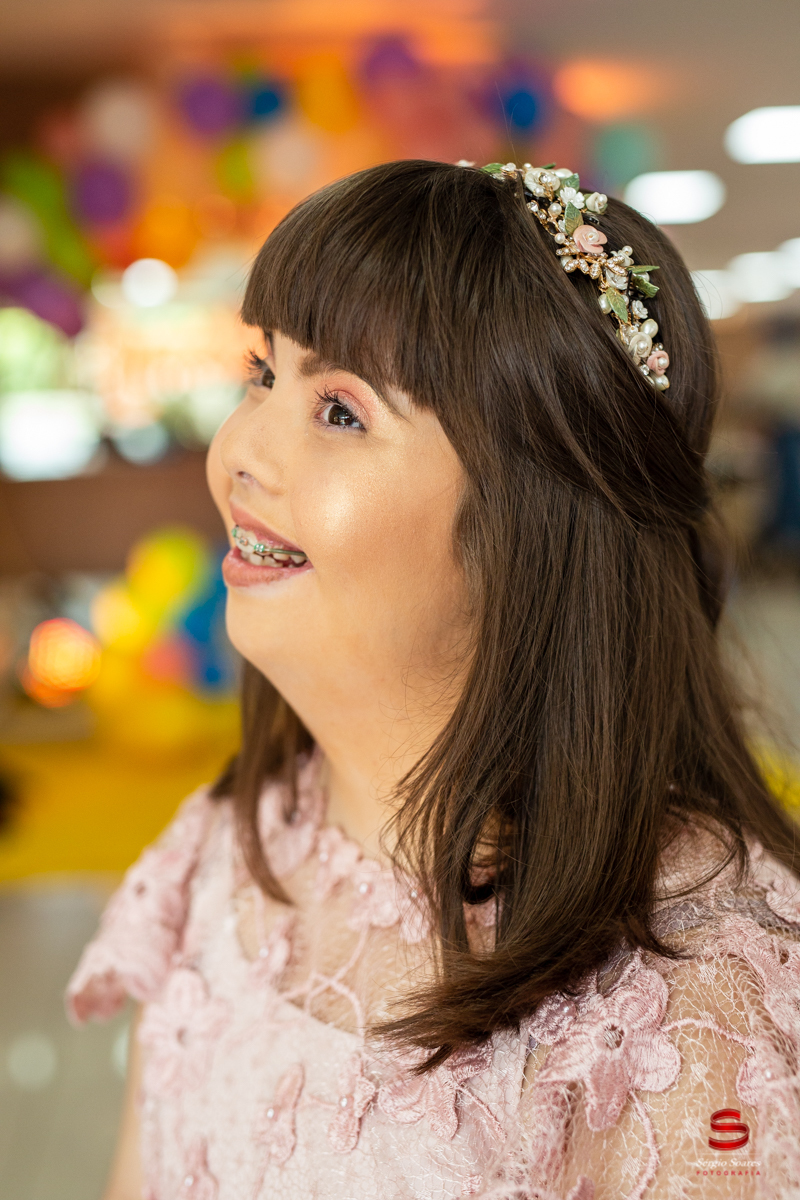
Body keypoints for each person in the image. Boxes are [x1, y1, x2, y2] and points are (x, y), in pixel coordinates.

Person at [68, 160, 800, 1200]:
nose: (237, 452)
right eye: (263, 373)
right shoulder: (228, 845)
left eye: (340, 411)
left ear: (526, 527)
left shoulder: (695, 1008)